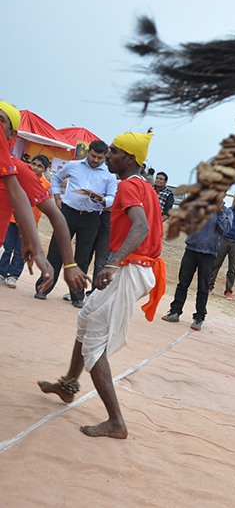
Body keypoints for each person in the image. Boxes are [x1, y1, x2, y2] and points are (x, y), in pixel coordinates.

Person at [38, 130, 165, 439]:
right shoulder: (142, 186)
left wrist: (111, 263)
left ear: (130, 159)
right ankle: (69, 385)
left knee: (95, 343)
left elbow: (141, 227)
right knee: (86, 319)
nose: (109, 156)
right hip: (135, 266)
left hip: (131, 268)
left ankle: (116, 422)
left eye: (115, 152)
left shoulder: (128, 187)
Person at [0, 101, 85, 294]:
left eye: (0, 121)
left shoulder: (18, 171)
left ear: (12, 134)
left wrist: (69, 264)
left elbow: (54, 214)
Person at [35, 140, 118, 307]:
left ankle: (77, 295)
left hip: (92, 217)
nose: (96, 160)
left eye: (100, 158)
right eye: (93, 156)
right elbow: (56, 180)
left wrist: (103, 200)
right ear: (88, 152)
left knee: (83, 256)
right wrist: (57, 197)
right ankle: (43, 287)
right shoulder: (73, 165)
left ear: (105, 157)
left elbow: (113, 197)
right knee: (56, 251)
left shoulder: (109, 174)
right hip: (68, 213)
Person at [162, 202, 232, 330]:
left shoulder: (227, 213)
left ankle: (199, 318)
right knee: (183, 283)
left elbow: (225, 229)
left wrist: (219, 213)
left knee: (203, 287)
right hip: (191, 250)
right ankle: (175, 312)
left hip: (209, 254)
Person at [0, 155, 51, 287]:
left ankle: (13, 275)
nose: (35, 167)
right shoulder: (19, 177)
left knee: (20, 250)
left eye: (40, 166)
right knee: (7, 247)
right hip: (12, 220)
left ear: (45, 170)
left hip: (30, 223)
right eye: (33, 164)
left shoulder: (45, 185)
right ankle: (1, 271)